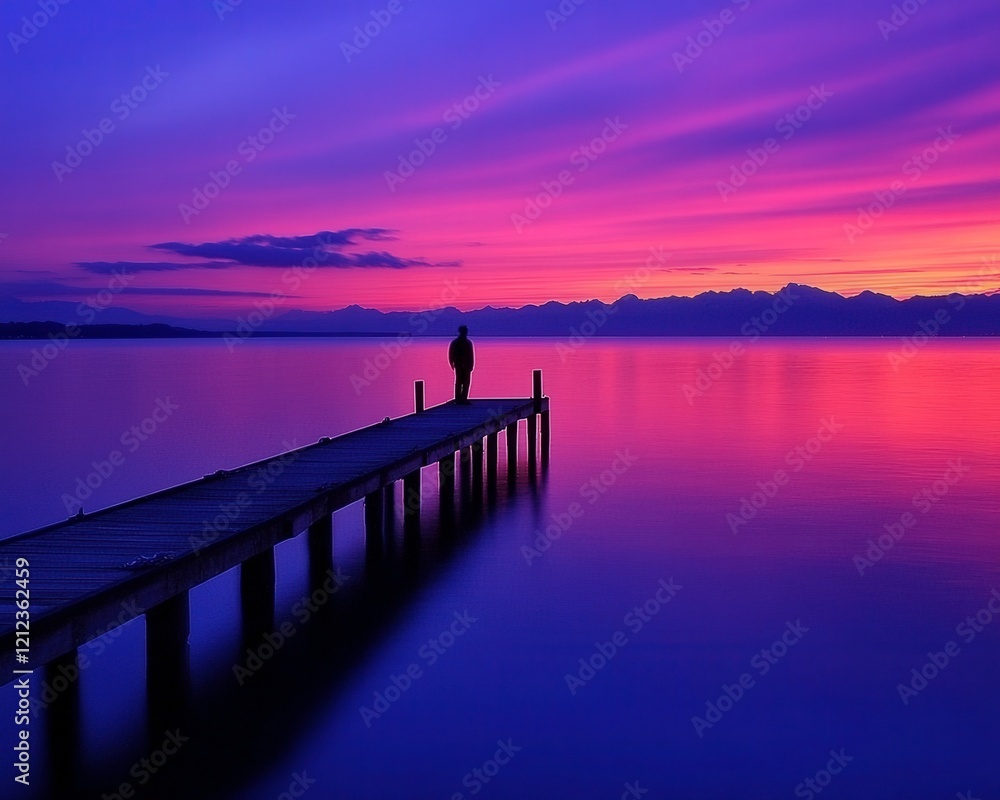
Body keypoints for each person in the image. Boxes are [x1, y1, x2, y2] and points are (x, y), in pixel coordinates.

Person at [448, 325, 474, 404]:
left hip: (465, 365)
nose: (466, 332)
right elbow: (451, 354)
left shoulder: (467, 343)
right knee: (460, 382)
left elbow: (471, 355)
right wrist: (452, 363)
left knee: (465, 382)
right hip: (459, 365)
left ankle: (463, 398)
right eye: (465, 331)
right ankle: (459, 399)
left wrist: (471, 365)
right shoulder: (456, 342)